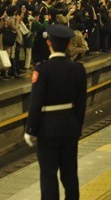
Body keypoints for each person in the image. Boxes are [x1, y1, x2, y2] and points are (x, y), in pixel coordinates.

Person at [24, 24, 87, 200]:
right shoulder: (78, 69)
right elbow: (81, 103)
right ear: (68, 44)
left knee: (48, 174)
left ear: (49, 43)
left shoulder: (42, 70)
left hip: (48, 127)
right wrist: (77, 125)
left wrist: (30, 129)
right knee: (70, 172)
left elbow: (36, 103)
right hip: (70, 126)